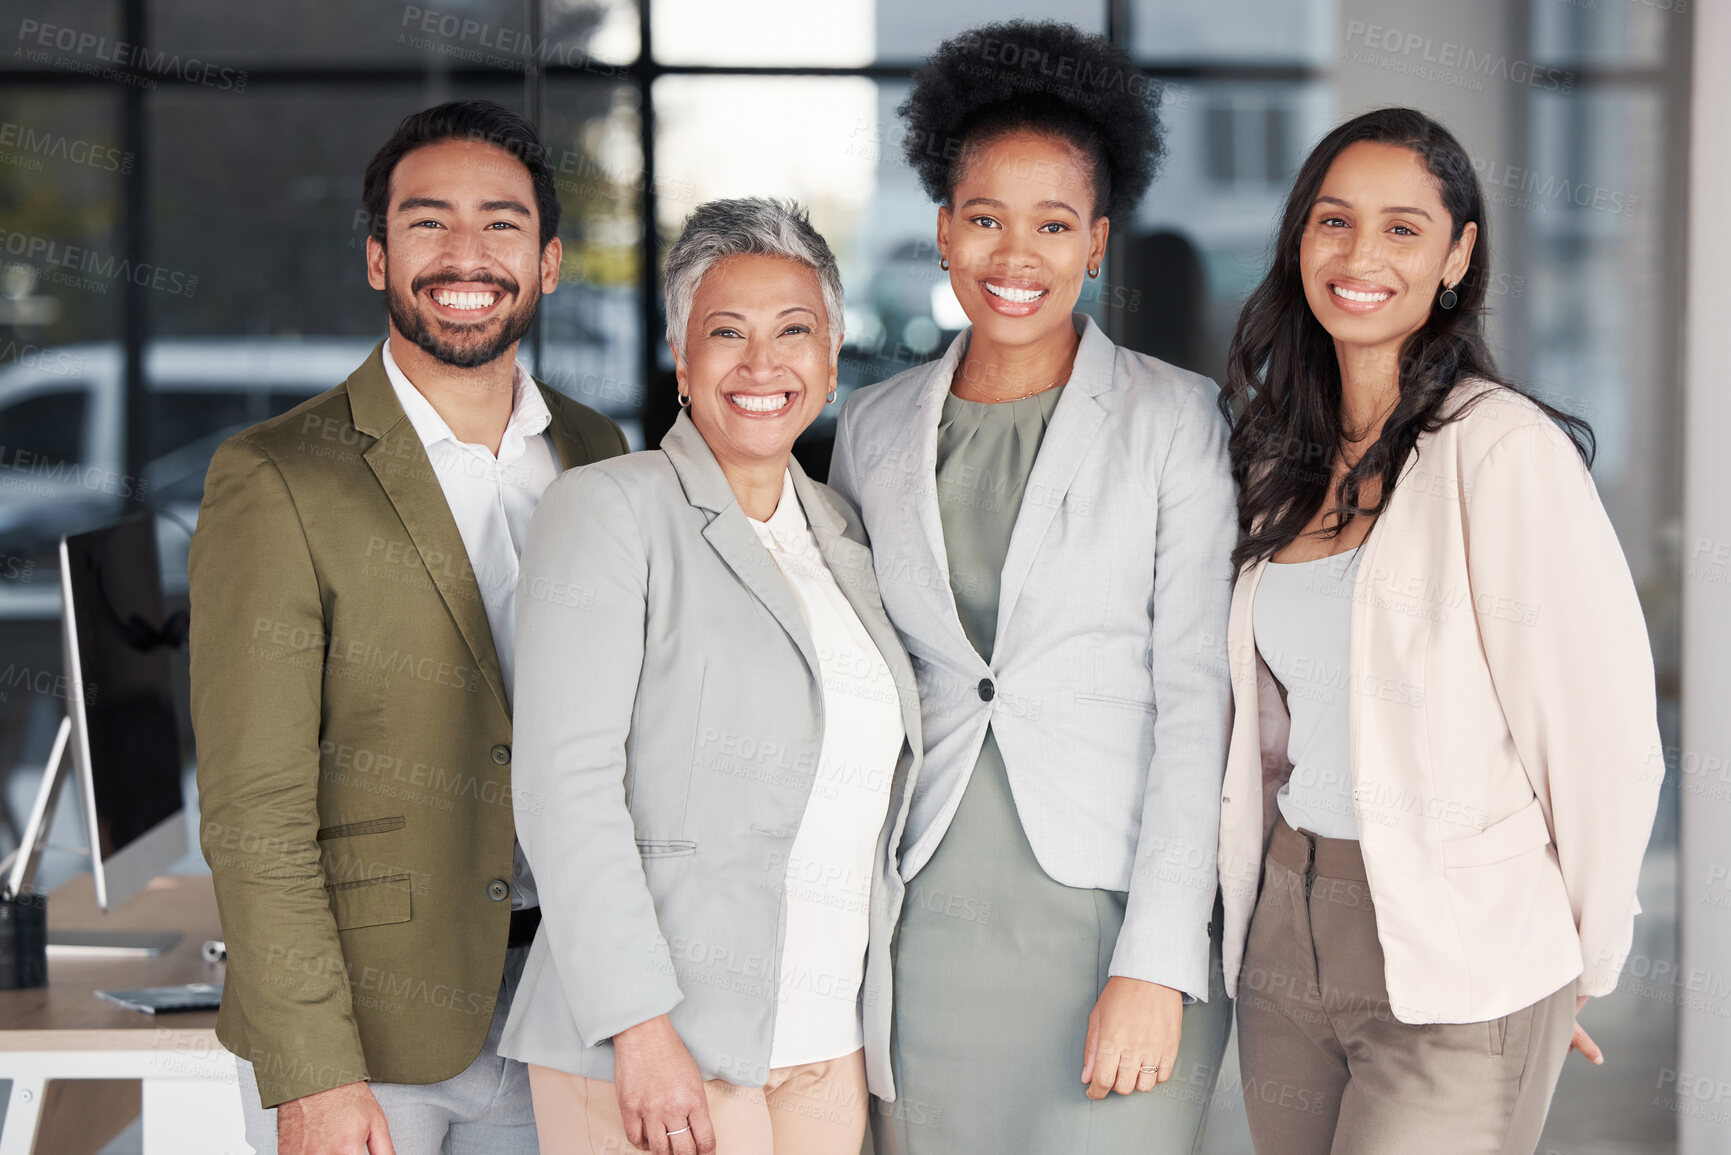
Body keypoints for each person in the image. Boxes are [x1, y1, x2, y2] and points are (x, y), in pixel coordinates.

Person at [1214, 107, 1663, 1155]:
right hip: (1288, 927)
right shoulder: (1278, 460)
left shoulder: (1500, 453)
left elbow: (1602, 741)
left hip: (1460, 946)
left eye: (1404, 229)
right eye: (1334, 220)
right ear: (1299, 240)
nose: (1361, 254)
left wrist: (1572, 965)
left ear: (1459, 255)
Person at [189, 100, 628, 1155]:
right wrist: (314, 1074)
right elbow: (256, 809)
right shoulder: (278, 476)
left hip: (570, 1009)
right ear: (380, 258)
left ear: (551, 261)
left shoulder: (597, 448)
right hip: (374, 1039)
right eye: (428, 224)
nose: (465, 255)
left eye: (502, 225)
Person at [828, 21, 1237, 1155]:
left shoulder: (1176, 419)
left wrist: (1158, 961)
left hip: (1108, 922)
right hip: (928, 918)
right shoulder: (871, 426)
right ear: (946, 230)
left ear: (1097, 242)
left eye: (1054, 224)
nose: (1017, 255)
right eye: (986, 219)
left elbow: (1197, 696)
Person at [498, 197, 923, 1155]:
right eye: (725, 333)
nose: (762, 364)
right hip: (665, 1041)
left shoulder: (845, 534)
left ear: (829, 358)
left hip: (827, 1040)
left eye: (794, 332)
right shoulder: (608, 509)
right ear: (683, 364)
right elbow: (564, 789)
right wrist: (637, 1026)